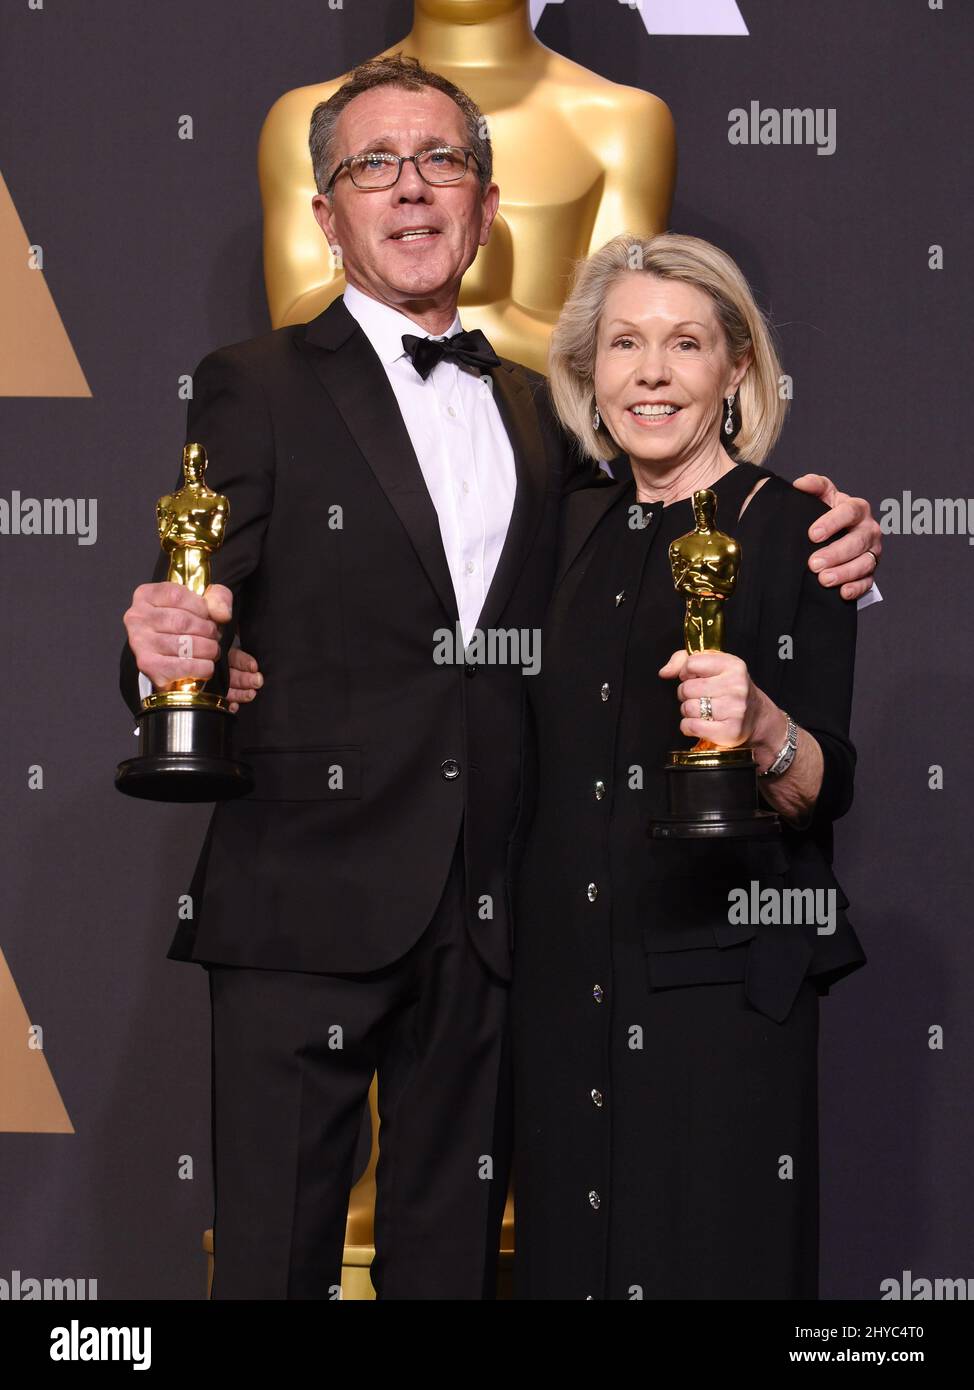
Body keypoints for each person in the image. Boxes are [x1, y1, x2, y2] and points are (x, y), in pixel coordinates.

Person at [120, 56, 879, 1299]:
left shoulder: (545, 416)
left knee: (451, 1272)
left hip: (493, 925)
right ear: (326, 214)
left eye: (442, 163)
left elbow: (671, 529)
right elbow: (184, 606)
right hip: (301, 902)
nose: (411, 191)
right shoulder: (250, 383)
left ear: (483, 206)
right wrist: (157, 656)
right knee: (269, 1265)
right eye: (375, 165)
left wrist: (830, 532)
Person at [508, 231, 868, 1300]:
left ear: (735, 371)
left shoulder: (800, 529)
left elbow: (821, 782)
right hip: (566, 987)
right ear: (588, 370)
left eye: (683, 344)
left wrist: (765, 730)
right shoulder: (563, 528)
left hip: (717, 990)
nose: (650, 373)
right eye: (623, 343)